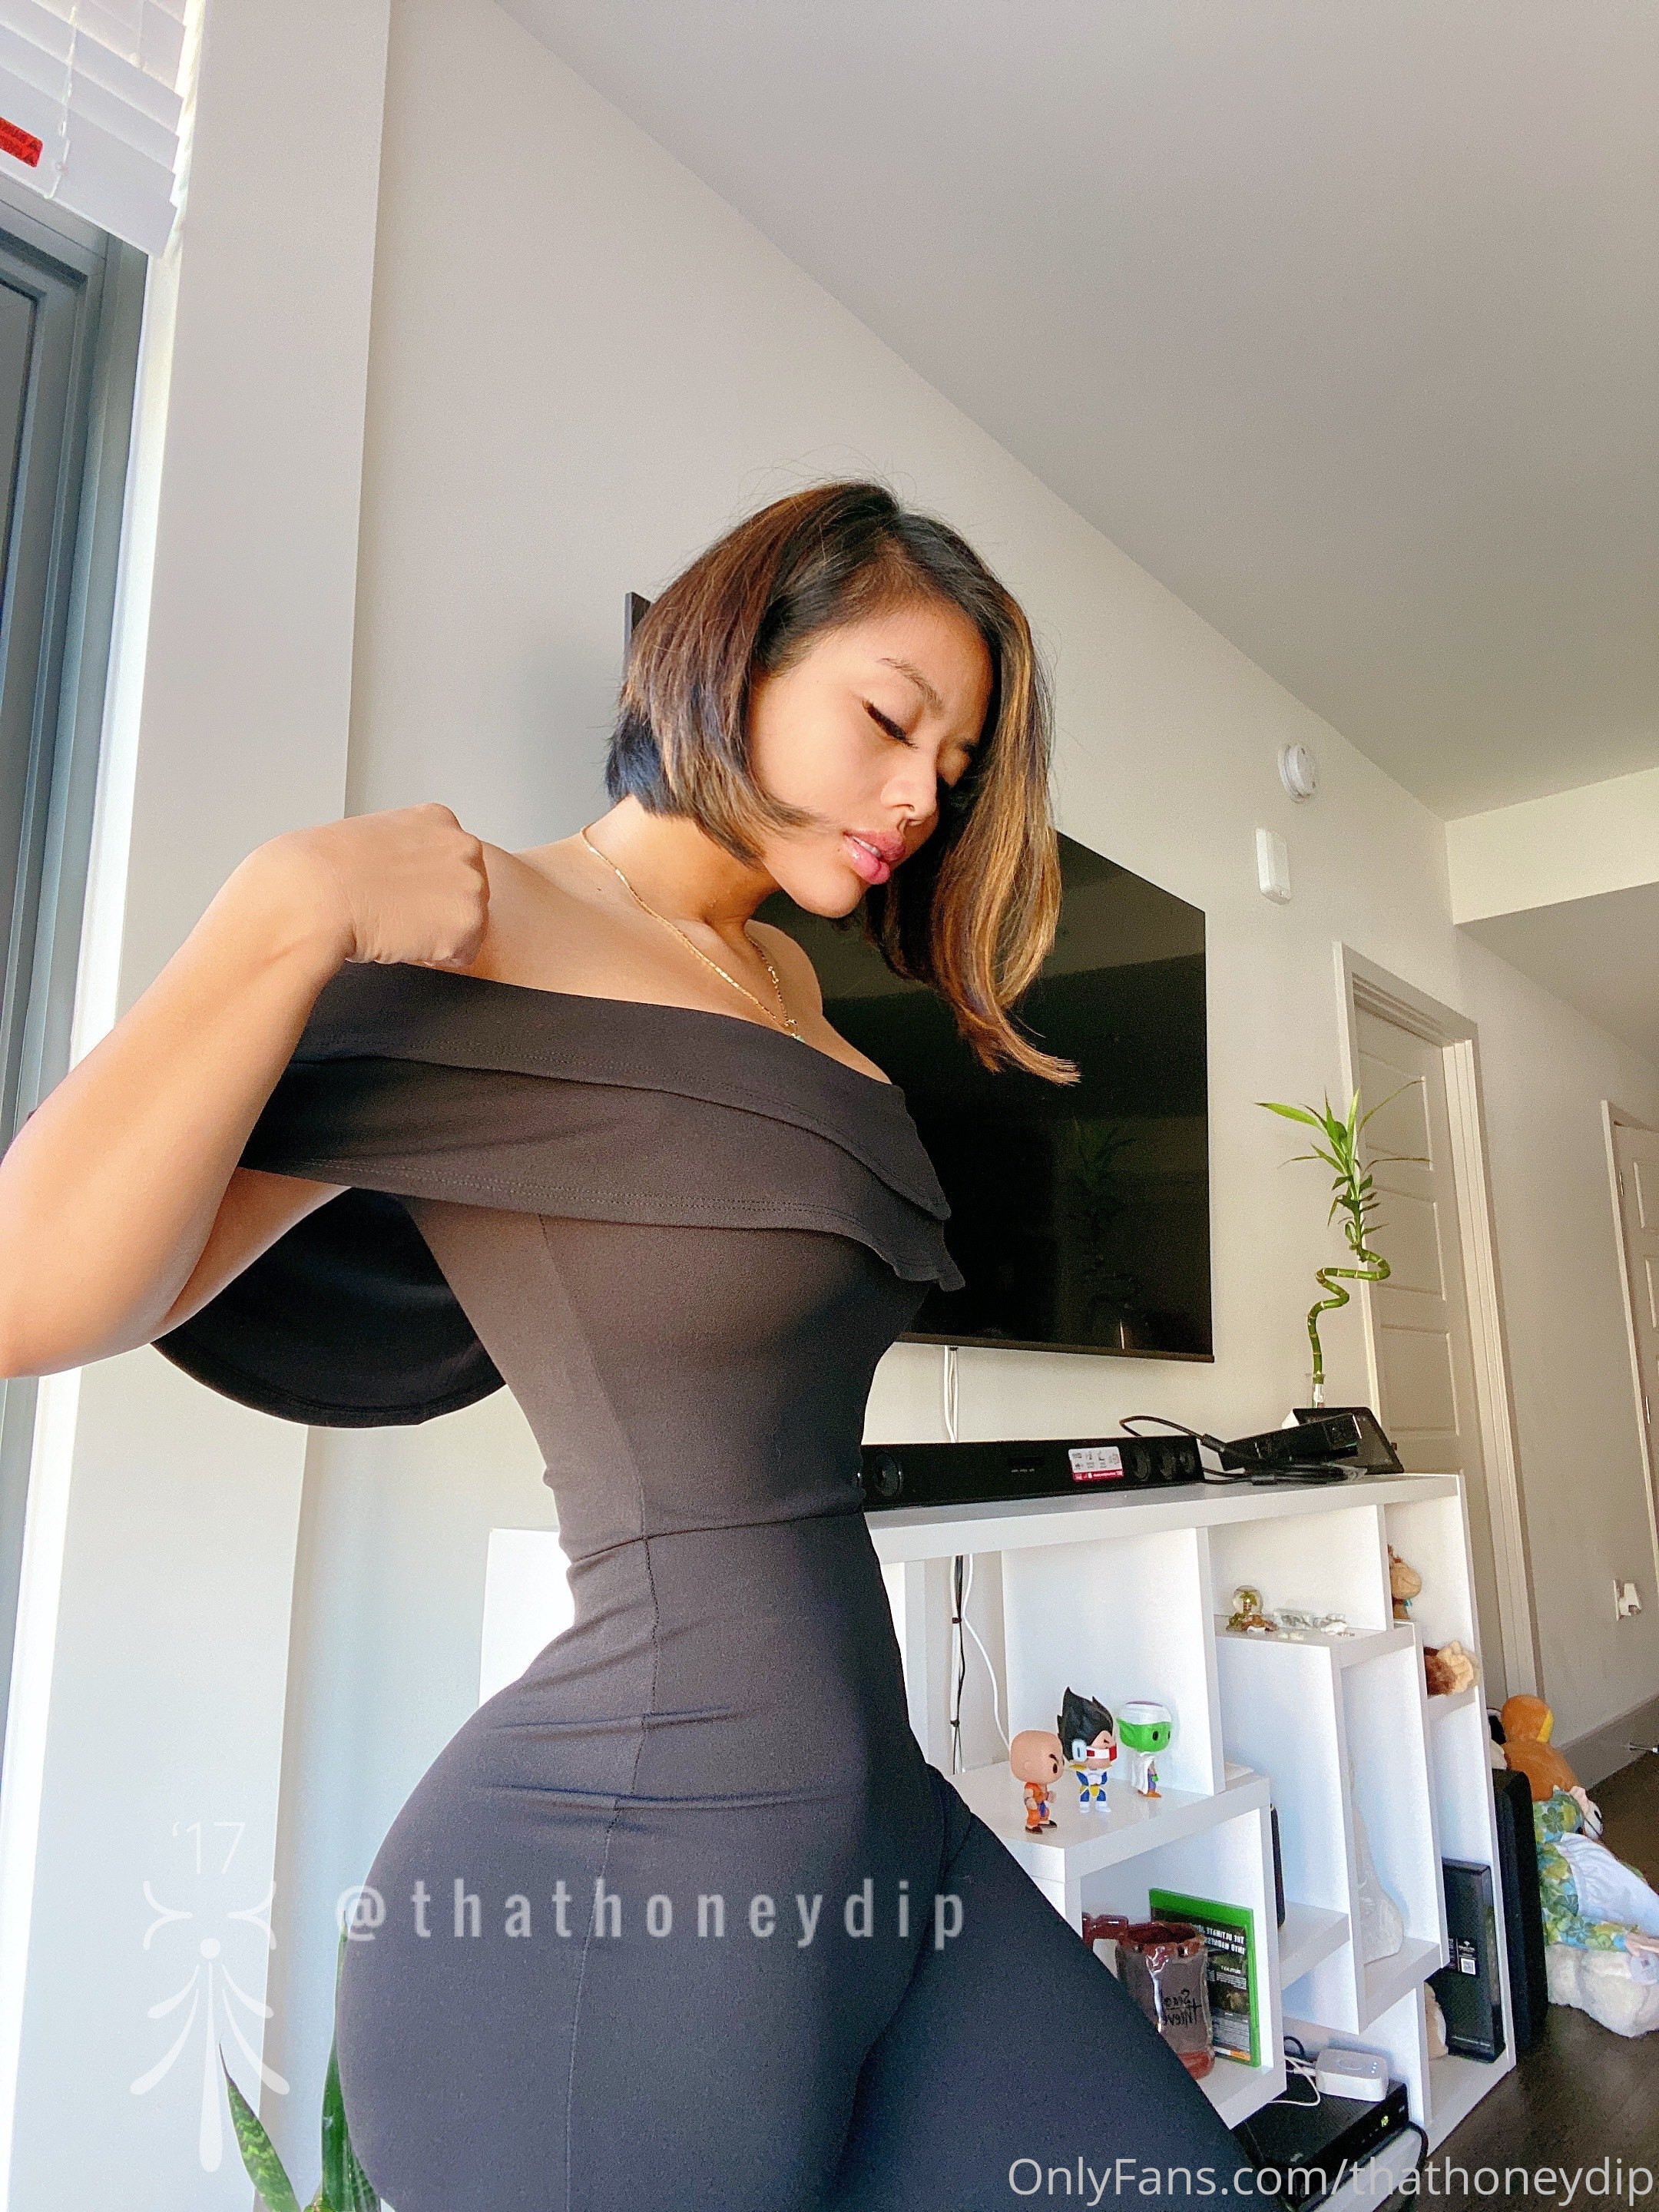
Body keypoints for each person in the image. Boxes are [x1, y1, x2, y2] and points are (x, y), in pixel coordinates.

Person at [0, 482, 1250, 2207]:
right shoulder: (489, 933)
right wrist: (283, 908)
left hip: (883, 1837)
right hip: (612, 1888)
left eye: (954, 769)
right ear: (735, 655)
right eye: (890, 720)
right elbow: (28, 1288)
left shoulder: (786, 985)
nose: (919, 797)